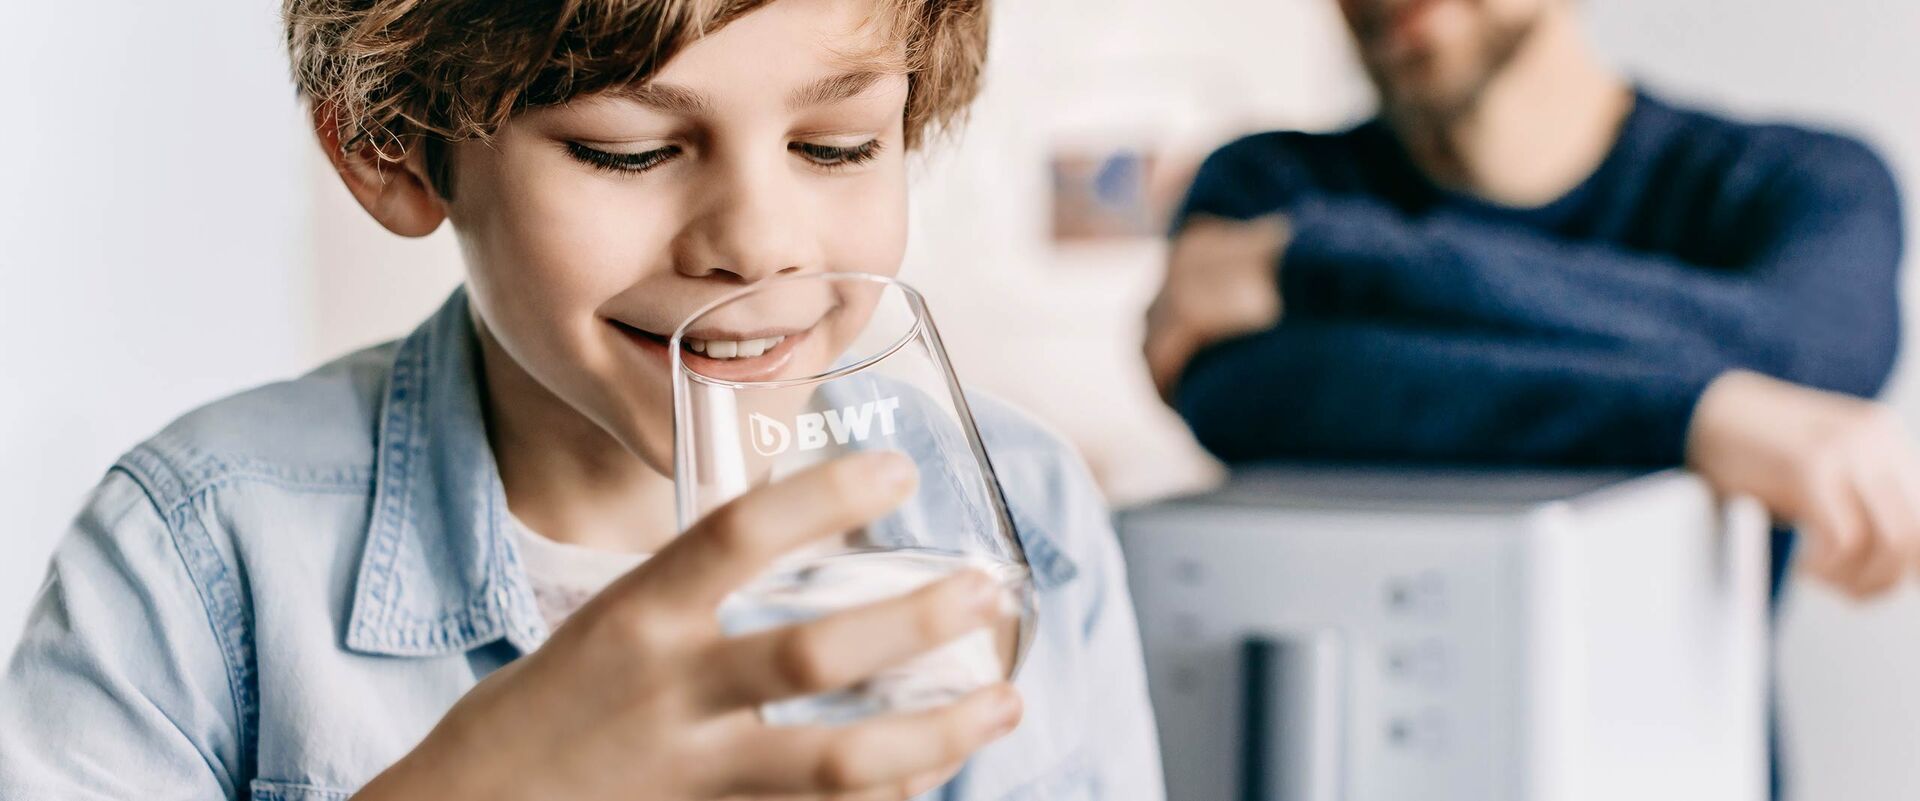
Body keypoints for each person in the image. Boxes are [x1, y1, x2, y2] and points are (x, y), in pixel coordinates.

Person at [0, 1, 1163, 799]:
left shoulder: (1030, 513)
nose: (758, 244)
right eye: (625, 149)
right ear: (391, 152)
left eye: (837, 144)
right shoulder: (199, 552)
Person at [1144, 0, 1906, 792]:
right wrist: (1707, 414)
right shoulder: (1265, 184)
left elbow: (1808, 355)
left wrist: (1311, 261)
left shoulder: (1799, 183)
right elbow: (1245, 394)